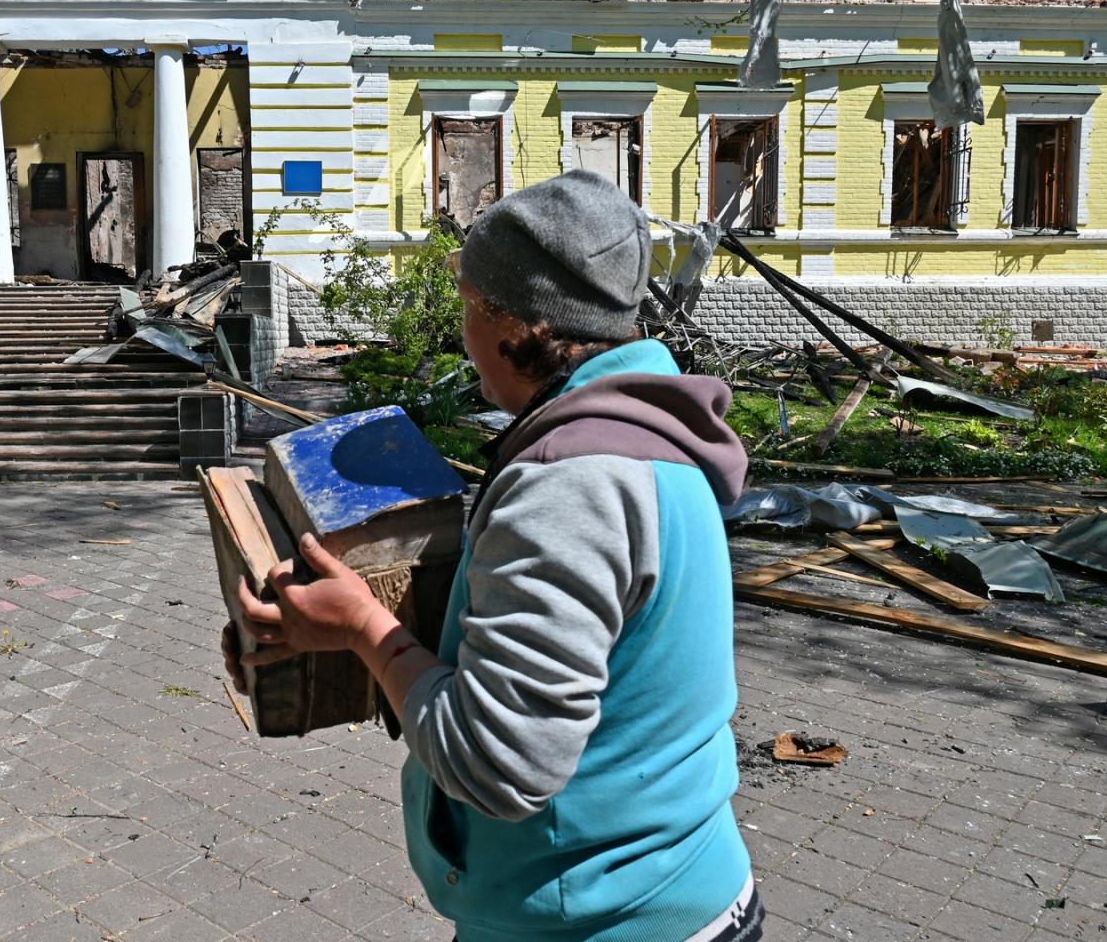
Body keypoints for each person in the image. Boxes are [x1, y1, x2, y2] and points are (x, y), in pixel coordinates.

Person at [223, 169, 761, 942]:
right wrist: (317, 641)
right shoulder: (656, 438)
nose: (462, 333)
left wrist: (365, 632)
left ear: (513, 323)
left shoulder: (569, 487)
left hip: (609, 924)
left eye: (468, 305)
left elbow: (499, 763)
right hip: (677, 893)